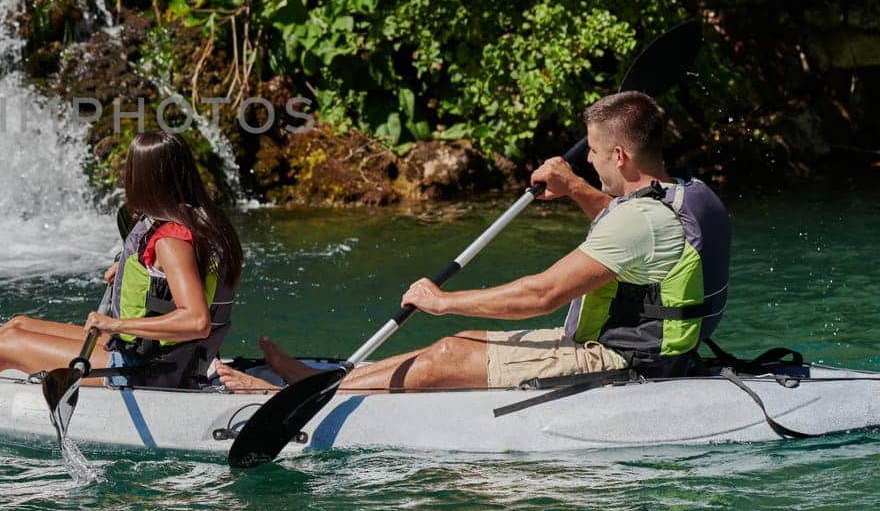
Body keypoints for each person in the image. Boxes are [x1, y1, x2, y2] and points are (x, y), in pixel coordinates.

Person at [215, 91, 729, 393]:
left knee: (445, 353)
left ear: (618, 155)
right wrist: (575, 189)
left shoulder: (638, 222)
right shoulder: (688, 194)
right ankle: (316, 378)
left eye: (593, 152)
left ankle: (296, 393)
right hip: (643, 349)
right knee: (462, 345)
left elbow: (540, 296)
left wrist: (443, 302)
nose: (586, 160)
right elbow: (632, 237)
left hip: (623, 363)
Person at [0, 130, 243, 389]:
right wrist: (131, 270)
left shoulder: (172, 238)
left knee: (9, 345)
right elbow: (179, 277)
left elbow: (196, 320)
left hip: (146, 371)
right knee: (18, 325)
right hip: (156, 358)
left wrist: (116, 324)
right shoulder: (202, 221)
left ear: (144, 178)